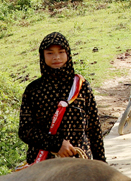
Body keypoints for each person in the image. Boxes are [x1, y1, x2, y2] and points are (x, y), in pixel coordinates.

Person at [18, 32, 106, 164]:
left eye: (61, 52)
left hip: (79, 162)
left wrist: (102, 165)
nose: (56, 57)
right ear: (42, 56)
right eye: (50, 53)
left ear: (68, 54)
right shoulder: (33, 90)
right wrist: (57, 145)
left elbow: (94, 129)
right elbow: (25, 130)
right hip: (42, 164)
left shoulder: (81, 87)